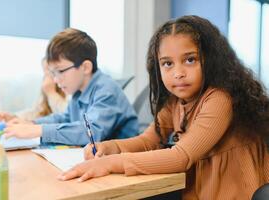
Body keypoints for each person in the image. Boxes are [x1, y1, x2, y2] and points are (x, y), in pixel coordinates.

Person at [58, 16, 269, 200]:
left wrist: (110, 163)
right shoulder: (174, 101)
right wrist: (110, 147)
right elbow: (149, 140)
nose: (178, 72)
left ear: (212, 60)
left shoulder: (220, 99)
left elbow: (180, 157)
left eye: (190, 60)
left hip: (234, 194)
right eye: (167, 63)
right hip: (195, 192)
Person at [0, 28, 139, 146]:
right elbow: (65, 119)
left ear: (85, 67)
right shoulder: (78, 93)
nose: (55, 80)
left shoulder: (106, 89)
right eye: (53, 73)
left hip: (124, 163)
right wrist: (31, 123)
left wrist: (38, 130)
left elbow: (92, 132)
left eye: (60, 71)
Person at [0, 58, 68, 122]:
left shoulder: (69, 88)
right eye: (44, 72)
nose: (46, 76)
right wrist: (13, 117)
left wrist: (51, 93)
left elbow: (67, 117)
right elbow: (38, 112)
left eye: (49, 71)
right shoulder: (48, 88)